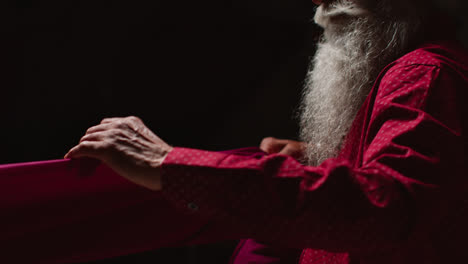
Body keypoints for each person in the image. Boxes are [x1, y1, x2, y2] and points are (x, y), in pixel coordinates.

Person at [66, 0, 468, 263]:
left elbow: (384, 208)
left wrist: (168, 164)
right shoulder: (416, 70)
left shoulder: (425, 72)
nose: (318, 4)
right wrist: (324, 161)